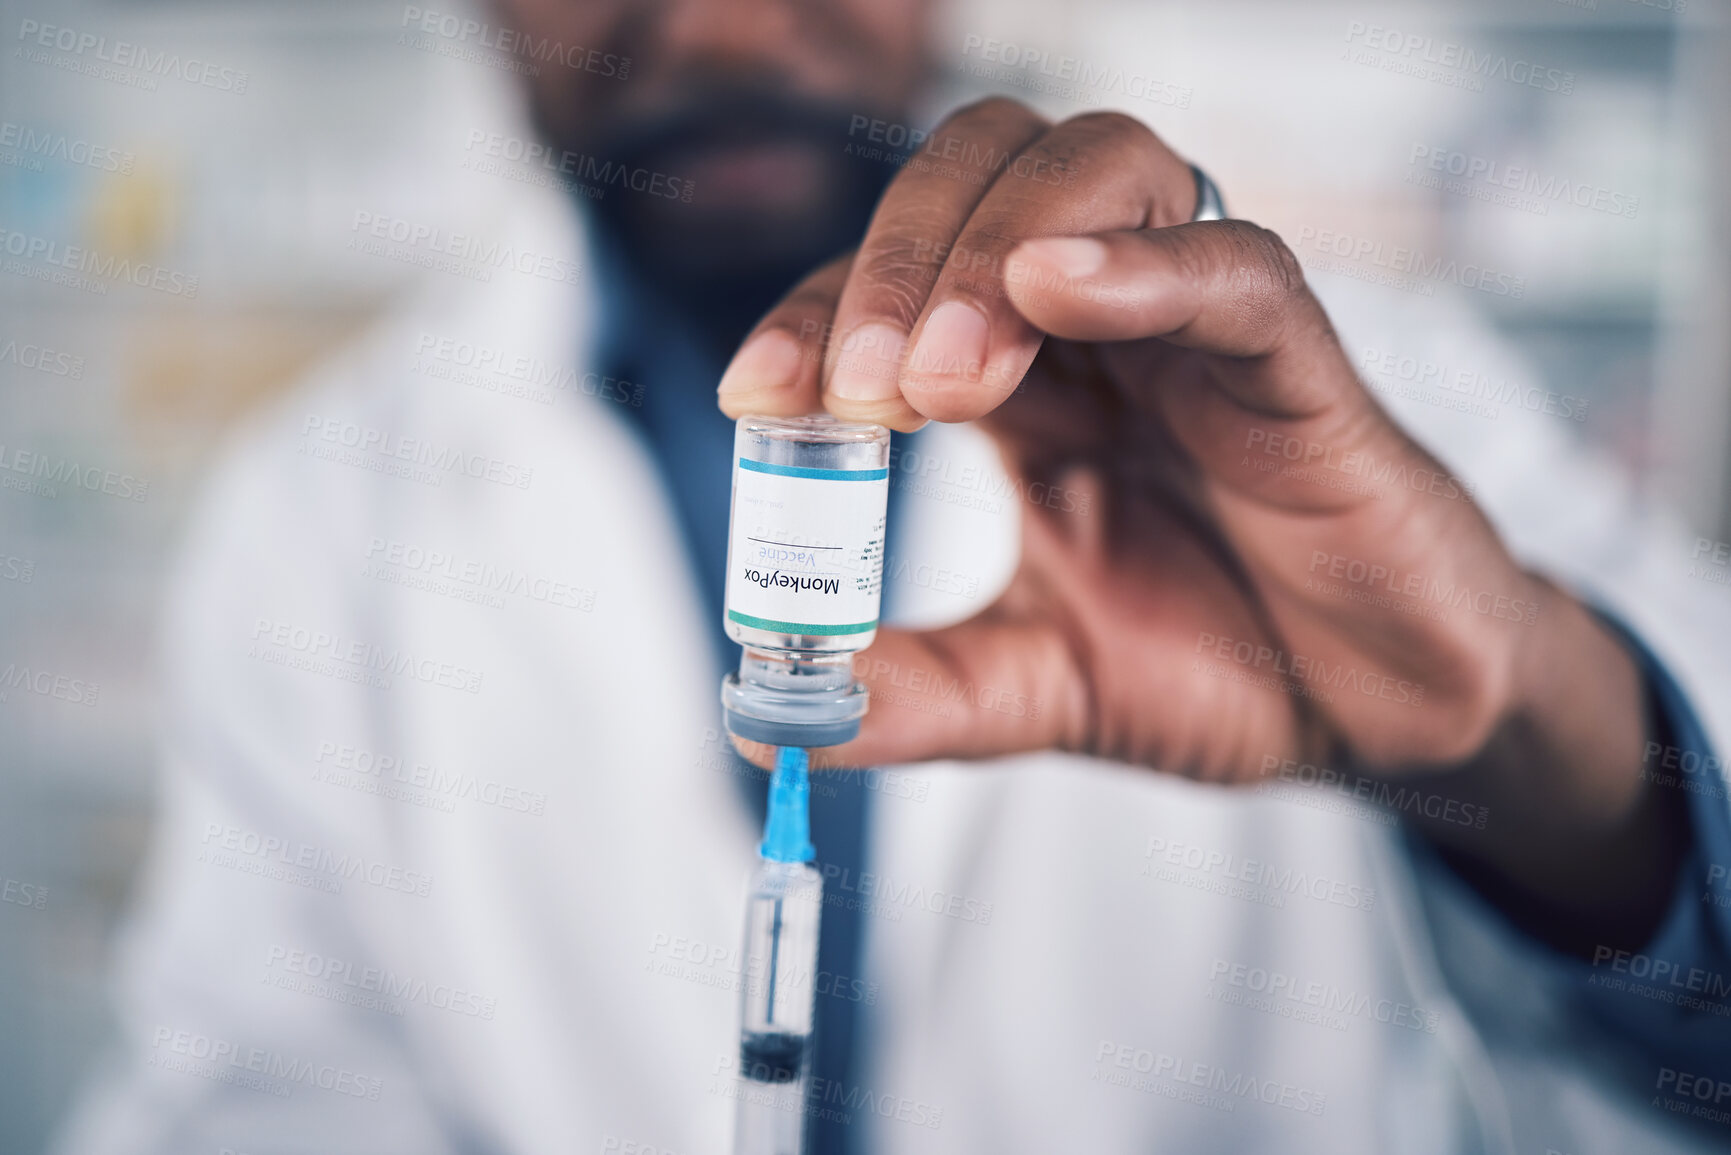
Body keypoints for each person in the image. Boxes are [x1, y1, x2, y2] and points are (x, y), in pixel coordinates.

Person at [55, 0, 1731, 1152]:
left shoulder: (1365, 393)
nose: (719, 23)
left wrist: (1530, 745)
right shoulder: (314, 517)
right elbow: (253, 1101)